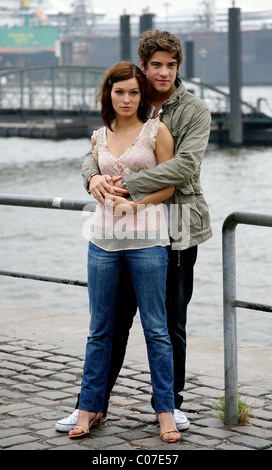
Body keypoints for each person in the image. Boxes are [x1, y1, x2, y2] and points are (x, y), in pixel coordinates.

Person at [56, 29, 212, 434]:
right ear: (143, 69)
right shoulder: (131, 103)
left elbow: (184, 168)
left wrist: (126, 188)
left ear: (179, 67)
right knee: (114, 321)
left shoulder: (192, 110)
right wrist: (92, 178)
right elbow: (97, 151)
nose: (164, 73)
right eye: (156, 65)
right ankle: (93, 404)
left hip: (176, 225)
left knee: (168, 321)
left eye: (171, 65)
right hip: (116, 233)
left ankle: (170, 404)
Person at [67, 61, 181, 443]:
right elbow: (91, 174)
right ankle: (88, 409)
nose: (127, 98)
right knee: (100, 330)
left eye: (134, 92)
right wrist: (94, 177)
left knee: (156, 330)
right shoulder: (99, 136)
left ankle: (165, 412)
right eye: (120, 92)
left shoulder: (156, 131)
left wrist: (136, 205)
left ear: (141, 95)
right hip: (102, 242)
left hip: (148, 243)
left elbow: (170, 185)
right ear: (109, 94)